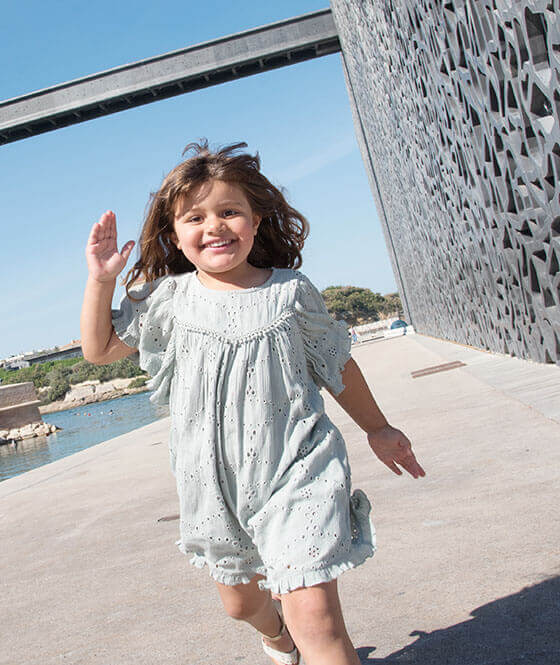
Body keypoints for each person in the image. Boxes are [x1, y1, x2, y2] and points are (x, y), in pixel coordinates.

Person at [79, 142, 424, 665]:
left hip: (299, 469)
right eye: (195, 217)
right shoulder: (168, 300)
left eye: (229, 211)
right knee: (241, 605)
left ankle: (301, 636)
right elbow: (100, 350)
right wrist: (100, 283)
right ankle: (276, 636)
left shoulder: (290, 292)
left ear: (256, 220)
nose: (214, 226)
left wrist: (378, 428)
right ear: (174, 235)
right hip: (214, 483)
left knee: (320, 621)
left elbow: (335, 363)